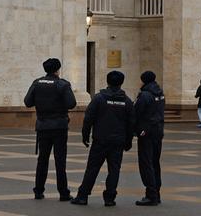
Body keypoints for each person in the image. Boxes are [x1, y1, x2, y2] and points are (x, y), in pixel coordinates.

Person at [72, 71, 135, 207]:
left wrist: (85, 135)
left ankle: (83, 196)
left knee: (92, 168)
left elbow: (88, 118)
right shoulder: (127, 101)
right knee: (114, 170)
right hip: (118, 141)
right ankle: (110, 198)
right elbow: (131, 123)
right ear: (121, 82)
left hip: (100, 140)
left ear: (107, 81)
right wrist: (128, 141)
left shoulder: (99, 98)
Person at [24, 58, 77, 201]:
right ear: (58, 69)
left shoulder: (37, 83)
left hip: (43, 126)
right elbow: (71, 104)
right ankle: (63, 193)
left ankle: (38, 191)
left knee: (42, 159)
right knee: (60, 161)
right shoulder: (62, 84)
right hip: (59, 126)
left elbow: (27, 102)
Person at [134, 71, 166, 207]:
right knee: (155, 162)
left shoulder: (145, 95)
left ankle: (151, 195)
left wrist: (135, 130)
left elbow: (137, 112)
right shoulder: (160, 93)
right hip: (158, 131)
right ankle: (156, 193)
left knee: (146, 163)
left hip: (146, 133)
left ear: (144, 81)